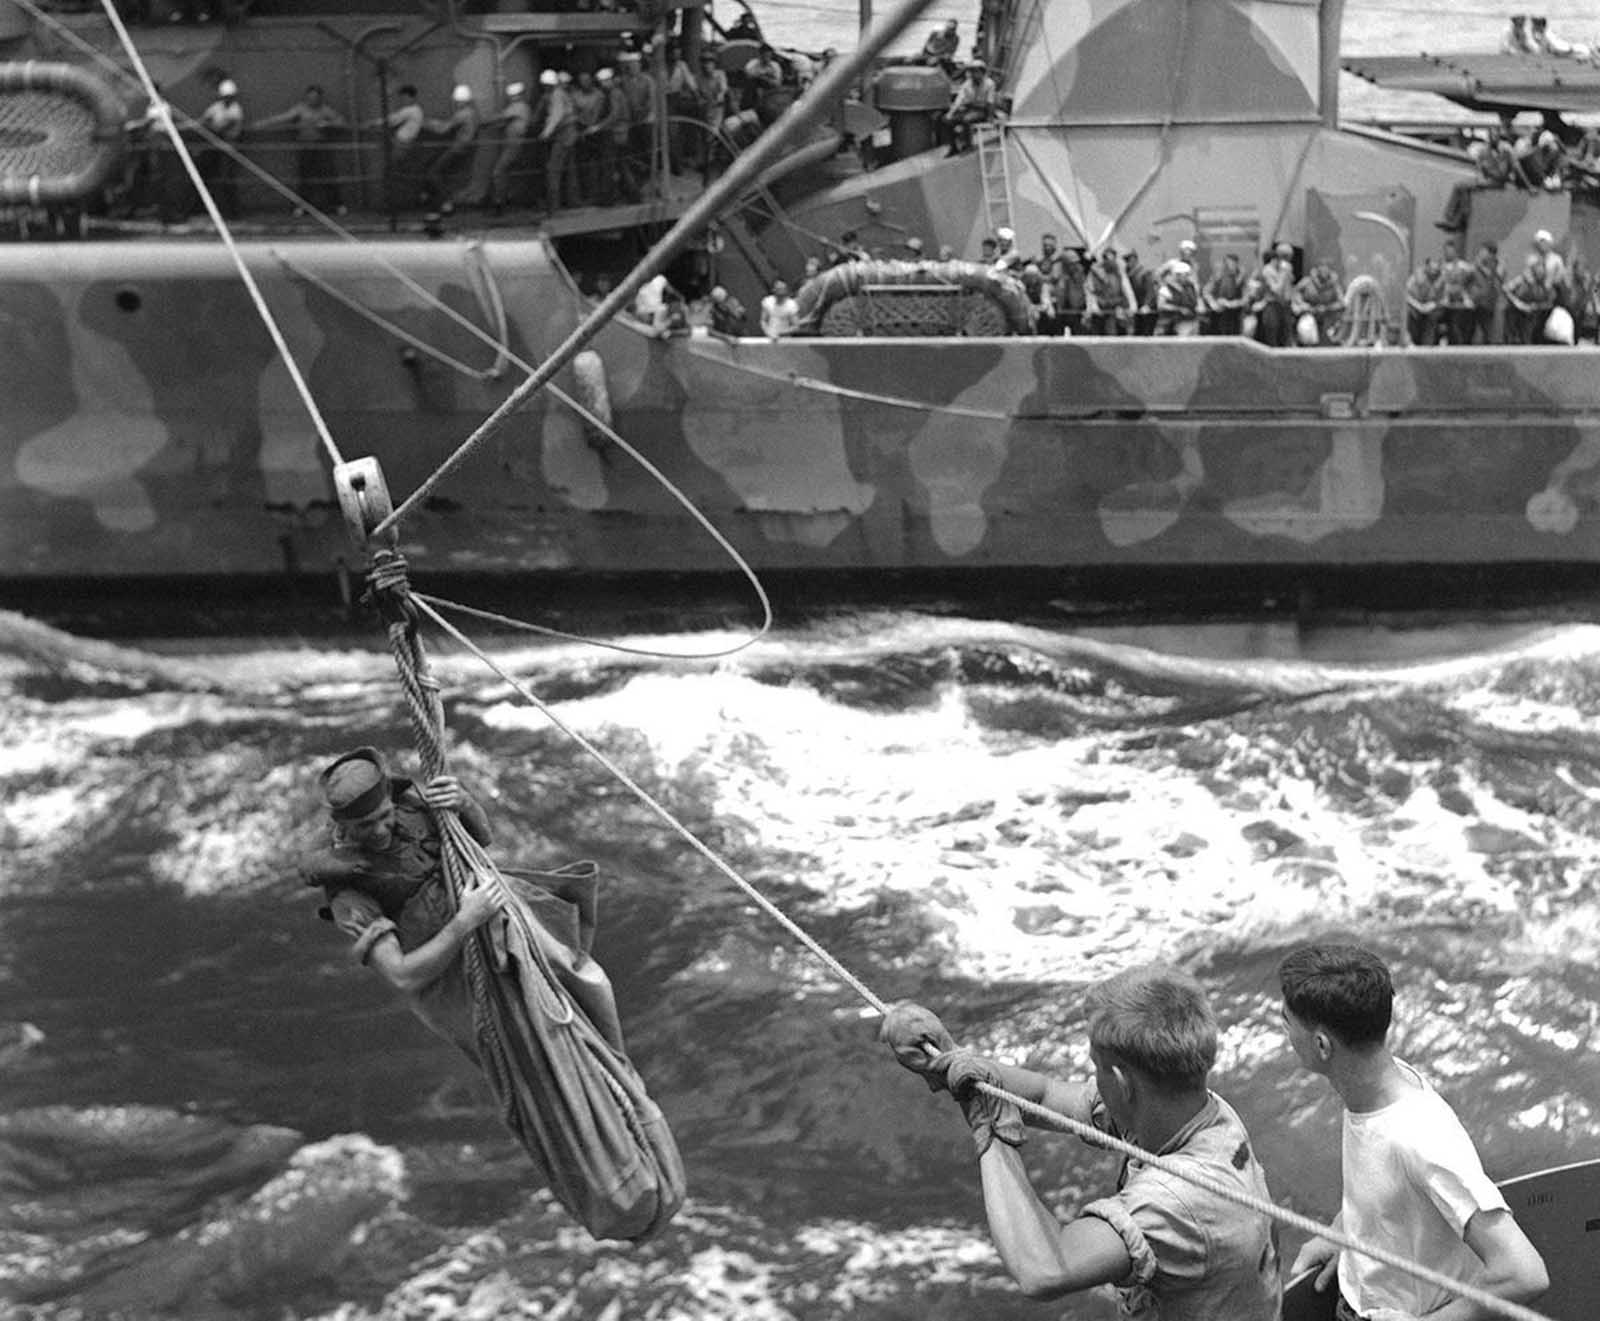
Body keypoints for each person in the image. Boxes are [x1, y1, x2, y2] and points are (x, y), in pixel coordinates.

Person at [881, 964, 1280, 1318]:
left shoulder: (1177, 1201)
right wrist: (950, 1060)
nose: (1094, 1080)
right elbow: (1045, 1095)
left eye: (1097, 1067)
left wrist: (990, 1132)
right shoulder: (1196, 1107)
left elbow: (1043, 1269)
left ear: (1122, 1084)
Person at [299, 746, 627, 1065]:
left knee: (582, 979)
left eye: (385, 816)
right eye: (365, 826)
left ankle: (616, 1063)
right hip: (456, 978)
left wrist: (464, 802)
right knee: (526, 1053)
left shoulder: (413, 808)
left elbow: (482, 838)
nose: (380, 830)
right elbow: (403, 976)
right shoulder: (349, 895)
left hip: (492, 913)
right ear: (342, 827)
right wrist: (465, 922)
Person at [1280, 944, 1549, 1321]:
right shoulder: (1372, 1082)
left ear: (1322, 1045)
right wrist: (1344, 1234)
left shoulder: (1418, 1138)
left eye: (1286, 1021)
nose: (1285, 1033)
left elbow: (1524, 1273)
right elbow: (1383, 1184)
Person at [254, 83, 348, 215]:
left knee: (328, 175)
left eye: (315, 97)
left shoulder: (325, 110)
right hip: (305, 146)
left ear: (320, 98)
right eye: (310, 97)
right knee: (305, 177)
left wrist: (328, 124)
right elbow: (283, 117)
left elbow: (342, 122)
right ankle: (303, 206)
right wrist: (264, 123)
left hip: (321, 146)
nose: (312, 100)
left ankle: (338, 204)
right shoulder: (300, 109)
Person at [366, 83, 425, 212]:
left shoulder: (411, 110)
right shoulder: (417, 111)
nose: (402, 100)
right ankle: (397, 204)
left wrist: (373, 123)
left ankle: (392, 206)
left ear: (410, 97)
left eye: (403, 97)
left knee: (391, 174)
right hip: (402, 144)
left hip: (402, 145)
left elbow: (393, 120)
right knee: (396, 174)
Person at [424, 84, 479, 211]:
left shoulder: (462, 114)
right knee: (442, 173)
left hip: (457, 148)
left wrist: (426, 123)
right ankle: (434, 198)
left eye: (456, 101)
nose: (455, 103)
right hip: (465, 149)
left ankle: (446, 202)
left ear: (460, 101)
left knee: (433, 173)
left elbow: (443, 129)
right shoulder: (473, 113)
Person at [195, 78, 244, 218]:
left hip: (229, 147)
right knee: (211, 176)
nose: (227, 99)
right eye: (225, 97)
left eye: (229, 97)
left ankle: (230, 211)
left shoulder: (236, 110)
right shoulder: (216, 107)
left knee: (227, 178)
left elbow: (221, 128)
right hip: (213, 147)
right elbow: (203, 120)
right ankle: (210, 208)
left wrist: (208, 128)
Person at [538, 68, 579, 213]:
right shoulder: (561, 93)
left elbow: (556, 115)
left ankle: (553, 206)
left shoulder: (556, 95)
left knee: (553, 169)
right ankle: (573, 201)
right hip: (570, 133)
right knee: (570, 169)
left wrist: (545, 133)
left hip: (564, 134)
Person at [943, 59, 997, 156]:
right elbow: (959, 100)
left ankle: (968, 145)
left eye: (976, 71)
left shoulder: (990, 84)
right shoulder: (967, 84)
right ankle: (953, 147)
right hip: (970, 108)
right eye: (972, 72)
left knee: (967, 120)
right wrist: (950, 113)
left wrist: (990, 117)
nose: (973, 74)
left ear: (982, 72)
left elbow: (990, 101)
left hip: (982, 110)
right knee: (948, 121)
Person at [1503, 253, 1556, 345]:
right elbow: (1506, 289)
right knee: (1514, 338)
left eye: (1542, 266)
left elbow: (1549, 302)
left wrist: (1536, 306)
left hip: (1532, 314)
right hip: (1515, 312)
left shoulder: (1544, 284)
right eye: (1537, 266)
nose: (1540, 270)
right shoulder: (1522, 279)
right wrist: (1518, 303)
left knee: (1528, 338)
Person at [1084, 246, 1136, 334]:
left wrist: (1132, 306)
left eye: (1112, 259)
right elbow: (1089, 291)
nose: (1110, 261)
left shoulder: (1119, 272)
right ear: (1104, 259)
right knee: (1096, 334)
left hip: (1114, 309)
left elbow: (1127, 290)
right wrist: (1093, 306)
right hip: (1099, 309)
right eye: (1107, 259)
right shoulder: (1094, 273)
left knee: (1112, 332)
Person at [1203, 251, 1248, 336]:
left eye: (1232, 263)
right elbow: (1206, 292)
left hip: (1235, 313)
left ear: (1237, 264)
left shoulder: (1241, 277)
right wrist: (1213, 303)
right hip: (1219, 313)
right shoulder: (1218, 276)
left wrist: (1232, 304)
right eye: (1227, 263)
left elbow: (1246, 297)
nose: (1229, 266)